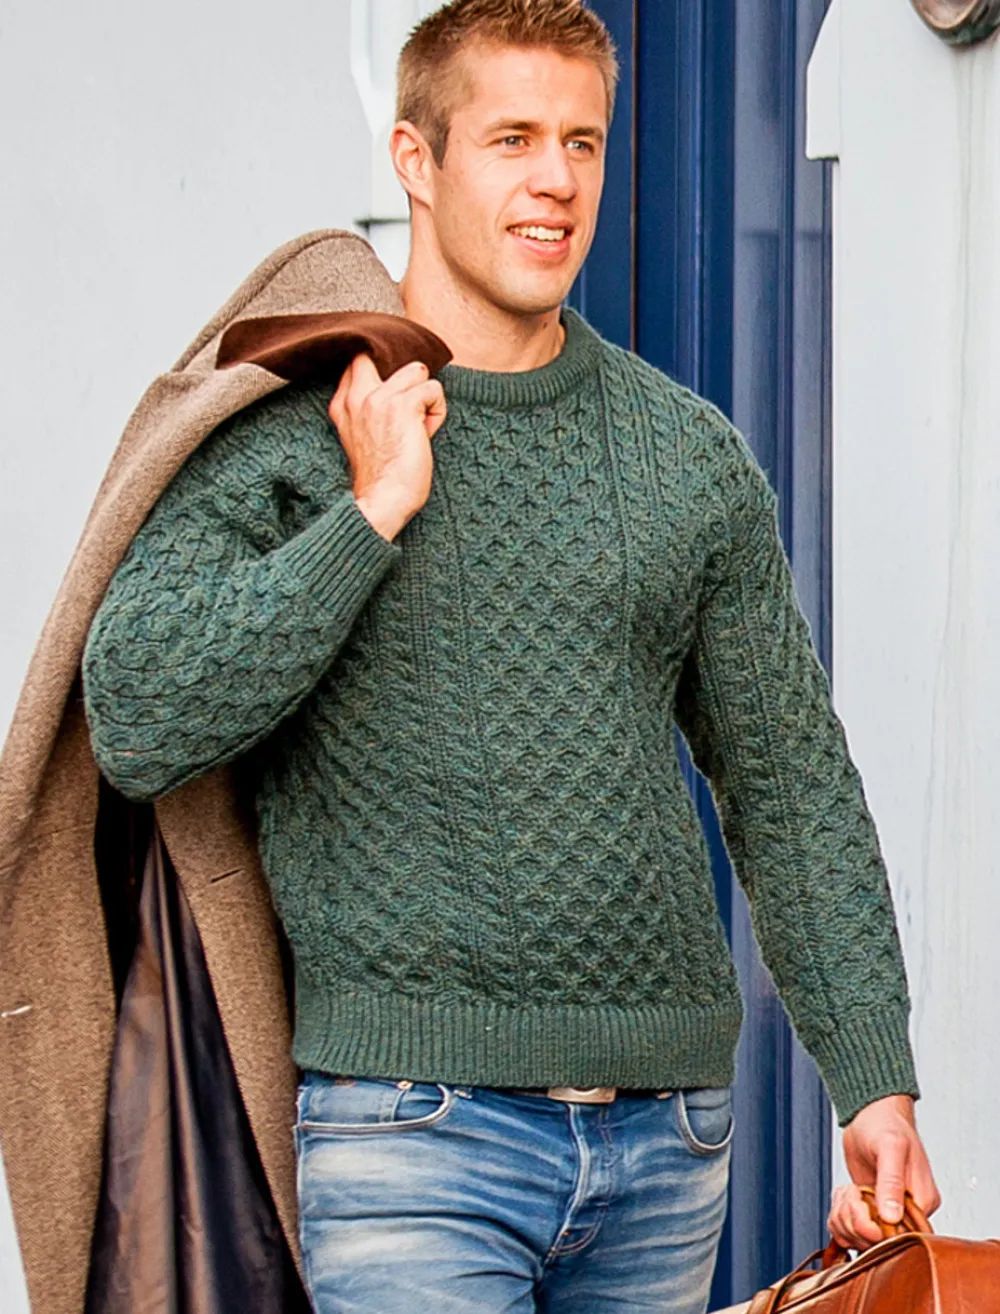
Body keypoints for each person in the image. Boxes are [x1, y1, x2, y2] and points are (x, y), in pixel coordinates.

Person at [82, 1, 939, 1310]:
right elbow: (138, 713)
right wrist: (372, 512)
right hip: (410, 1136)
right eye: (514, 139)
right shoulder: (294, 432)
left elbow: (791, 785)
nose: (558, 180)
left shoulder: (685, 454)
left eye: (583, 142)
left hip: (668, 1141)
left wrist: (871, 1074)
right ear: (415, 160)